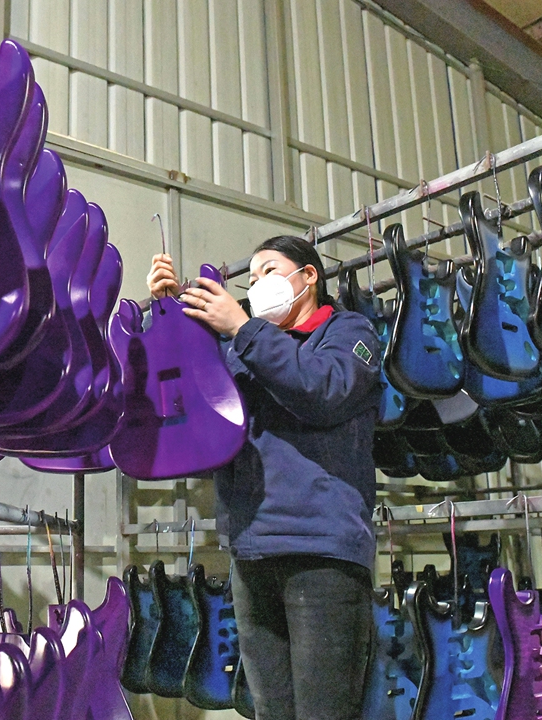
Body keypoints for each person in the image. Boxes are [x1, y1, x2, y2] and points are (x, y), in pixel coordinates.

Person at [147, 235, 382, 719]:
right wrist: (166, 317)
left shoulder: (350, 334)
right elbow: (190, 405)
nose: (258, 286)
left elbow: (322, 388)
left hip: (321, 552)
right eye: (251, 280)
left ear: (308, 276)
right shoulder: (242, 350)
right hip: (251, 549)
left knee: (325, 711)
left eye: (270, 271)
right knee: (270, 710)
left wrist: (243, 328)